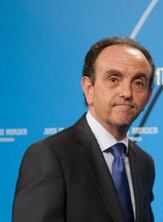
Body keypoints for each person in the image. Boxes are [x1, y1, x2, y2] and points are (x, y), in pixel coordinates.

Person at [13, 37, 155, 222]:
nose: (126, 93)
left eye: (138, 83)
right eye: (114, 79)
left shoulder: (144, 163)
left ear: (148, 95)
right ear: (89, 89)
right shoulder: (50, 155)